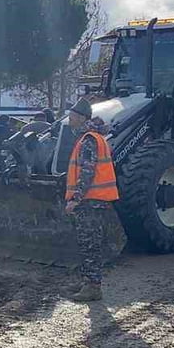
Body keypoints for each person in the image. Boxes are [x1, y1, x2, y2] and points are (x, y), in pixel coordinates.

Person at [64, 99, 119, 302]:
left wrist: (75, 199)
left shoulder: (89, 140)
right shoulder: (93, 138)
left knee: (90, 245)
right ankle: (87, 281)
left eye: (71, 117)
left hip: (91, 201)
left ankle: (93, 287)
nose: (69, 121)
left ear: (80, 118)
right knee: (88, 243)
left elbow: (87, 172)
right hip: (93, 201)